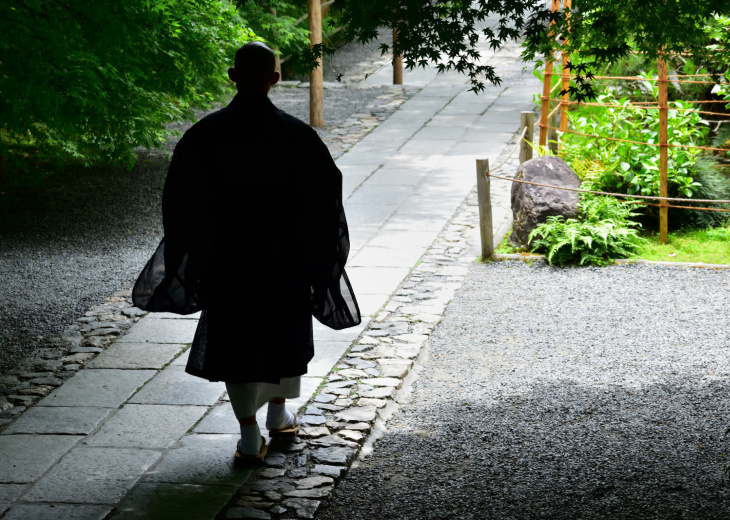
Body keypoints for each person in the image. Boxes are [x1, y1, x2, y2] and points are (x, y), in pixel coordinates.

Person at [132, 41, 361, 463]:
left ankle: (250, 436)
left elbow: (179, 204)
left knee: (235, 344)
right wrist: (319, 256)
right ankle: (278, 414)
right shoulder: (298, 137)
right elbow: (326, 204)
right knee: (285, 337)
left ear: (232, 76)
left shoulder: (203, 136)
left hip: (228, 261)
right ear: (274, 79)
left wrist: (195, 254)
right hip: (285, 260)